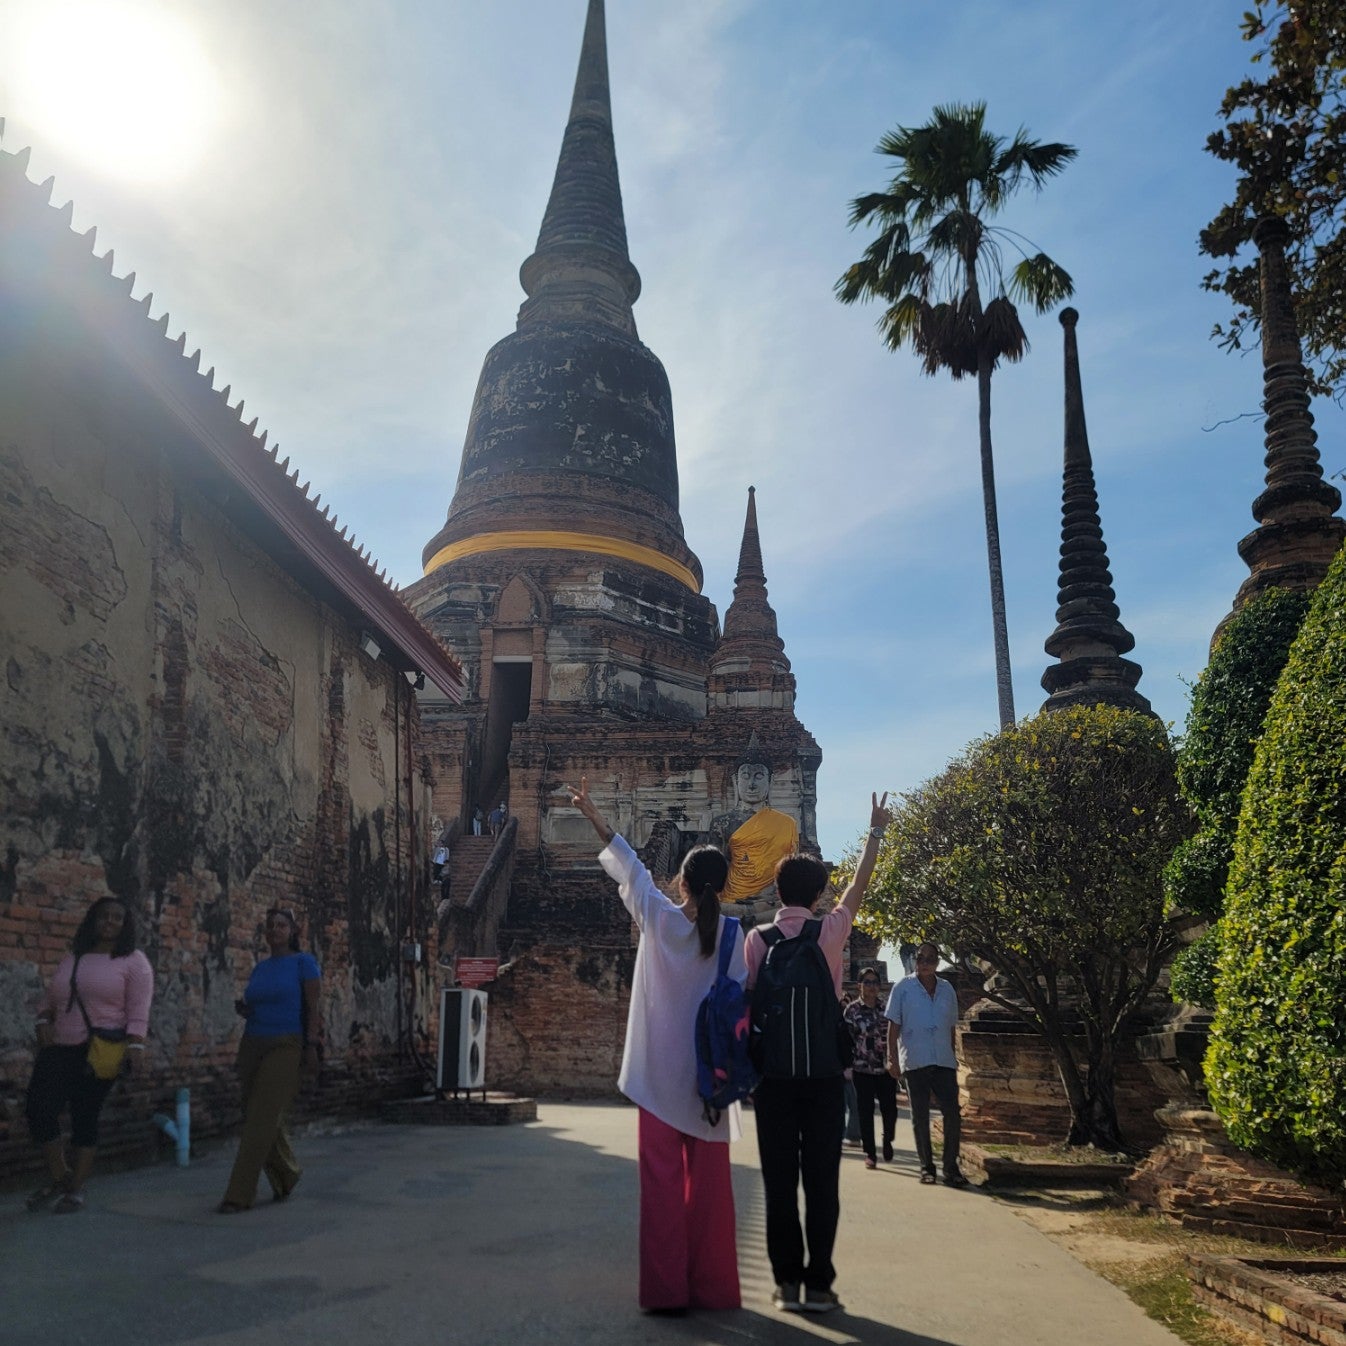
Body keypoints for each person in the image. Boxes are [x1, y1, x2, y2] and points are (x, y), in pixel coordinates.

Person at [567, 777, 744, 1314]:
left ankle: (666, 1293)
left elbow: (631, 869)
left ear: (683, 883)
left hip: (660, 1079)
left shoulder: (659, 920)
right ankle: (714, 1290)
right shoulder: (736, 936)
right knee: (712, 1193)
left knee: (663, 1189)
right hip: (712, 1081)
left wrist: (594, 816)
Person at [745, 792, 888, 1315]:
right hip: (826, 1074)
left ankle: (785, 1284)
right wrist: (875, 831)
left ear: (777, 890)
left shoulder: (757, 940)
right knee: (821, 1181)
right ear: (819, 891)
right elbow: (858, 888)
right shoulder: (830, 931)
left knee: (779, 1182)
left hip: (774, 1077)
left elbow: (751, 1003)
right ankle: (820, 1285)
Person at [24, 897, 154, 1213]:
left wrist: (136, 1044)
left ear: (125, 925)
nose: (109, 922)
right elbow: (53, 995)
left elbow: (138, 1008)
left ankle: (76, 1190)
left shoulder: (133, 961)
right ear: (92, 921)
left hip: (100, 1050)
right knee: (38, 1109)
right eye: (103, 916)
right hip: (59, 1045)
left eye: (116, 918)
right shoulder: (74, 956)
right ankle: (61, 1175)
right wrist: (43, 1017)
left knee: (85, 1115)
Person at [218, 908, 322, 1213]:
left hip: (287, 1044)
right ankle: (286, 1174)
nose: (275, 930)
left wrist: (312, 1045)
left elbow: (313, 1007)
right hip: (253, 1042)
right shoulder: (261, 968)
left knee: (261, 1119)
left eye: (282, 925)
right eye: (271, 926)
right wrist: (246, 1009)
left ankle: (238, 1194)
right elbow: (256, 1001)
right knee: (256, 1115)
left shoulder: (305, 963)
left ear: (292, 931)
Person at [886, 942, 967, 1187]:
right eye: (920, 958)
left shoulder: (947, 989)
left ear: (938, 962)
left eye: (930, 958)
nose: (924, 962)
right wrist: (892, 1058)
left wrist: (952, 1058)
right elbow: (893, 1025)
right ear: (915, 960)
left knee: (952, 1114)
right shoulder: (903, 988)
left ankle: (950, 1168)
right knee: (919, 1116)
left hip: (943, 1059)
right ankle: (927, 1168)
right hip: (915, 1059)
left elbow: (951, 1027)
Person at [845, 971, 899, 1170]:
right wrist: (847, 1065)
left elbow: (896, 1035)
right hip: (861, 1068)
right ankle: (870, 1152)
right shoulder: (852, 1010)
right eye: (867, 982)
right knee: (865, 1111)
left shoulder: (887, 1008)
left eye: (875, 982)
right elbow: (846, 1039)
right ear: (860, 985)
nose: (871, 986)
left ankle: (888, 1139)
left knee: (890, 1110)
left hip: (885, 1066)